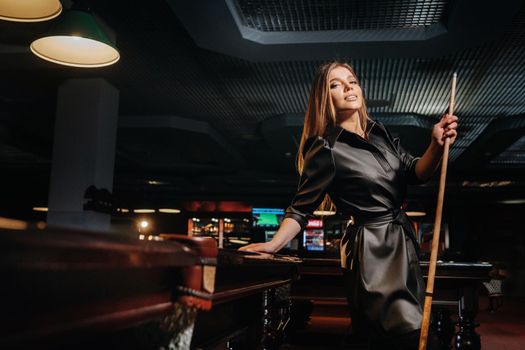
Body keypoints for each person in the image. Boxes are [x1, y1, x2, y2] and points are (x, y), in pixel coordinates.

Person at [240, 61, 458, 349]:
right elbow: (301, 208)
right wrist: (274, 245)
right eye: (335, 84)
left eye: (351, 80)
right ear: (324, 98)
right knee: (406, 334)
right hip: (372, 252)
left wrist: (436, 144)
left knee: (391, 335)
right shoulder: (326, 148)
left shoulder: (379, 132)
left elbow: (416, 172)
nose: (347, 87)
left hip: (402, 245)